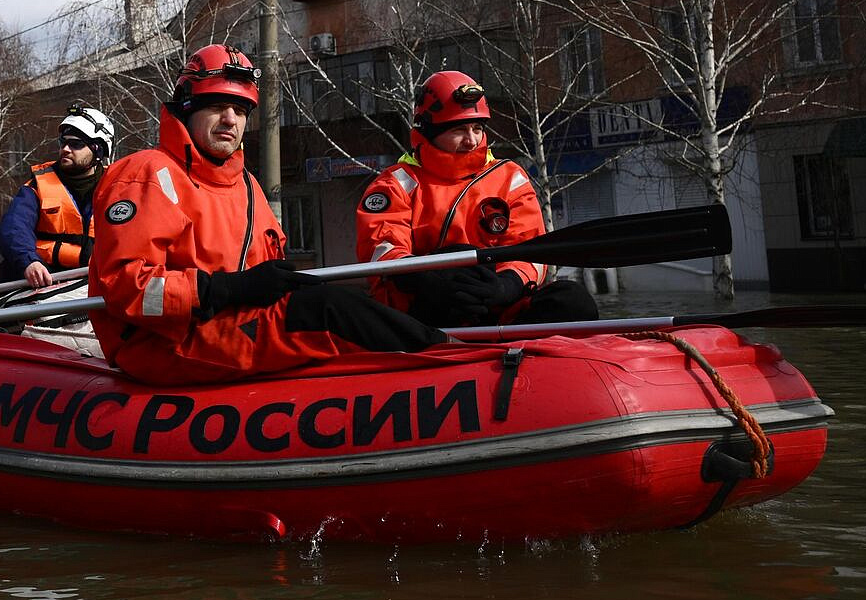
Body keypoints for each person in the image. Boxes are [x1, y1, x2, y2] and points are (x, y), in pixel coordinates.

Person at [88, 44, 447, 385]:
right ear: (186, 108)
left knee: (342, 301)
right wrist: (224, 289)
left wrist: (271, 287)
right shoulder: (146, 175)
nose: (230, 120)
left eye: (241, 110)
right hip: (165, 340)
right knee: (326, 310)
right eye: (217, 105)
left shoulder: (245, 185)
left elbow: (267, 273)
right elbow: (126, 288)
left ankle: (446, 351)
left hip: (229, 324)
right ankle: (453, 363)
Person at [355, 71, 599, 328]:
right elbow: (383, 251)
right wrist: (432, 280)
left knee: (573, 300)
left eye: (477, 128)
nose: (471, 140)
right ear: (428, 132)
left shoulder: (509, 178)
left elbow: (529, 250)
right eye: (459, 129)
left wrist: (506, 286)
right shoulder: (395, 185)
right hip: (424, 312)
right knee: (459, 257)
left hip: (496, 306)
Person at [0, 104, 115, 287]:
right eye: (63, 142)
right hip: (45, 279)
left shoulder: (118, 187)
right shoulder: (36, 186)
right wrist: (29, 261)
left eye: (76, 144)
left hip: (96, 281)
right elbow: (14, 228)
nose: (65, 149)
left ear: (98, 150)